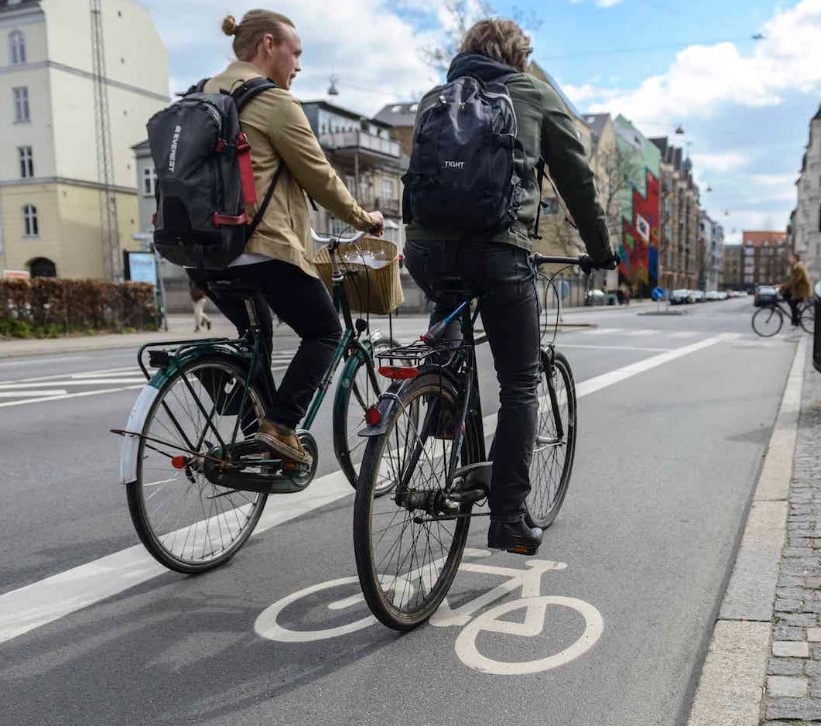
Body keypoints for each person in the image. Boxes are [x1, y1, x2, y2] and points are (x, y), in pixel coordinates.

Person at [404, 18, 616, 555]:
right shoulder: (533, 94)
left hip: (426, 251)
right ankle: (509, 521)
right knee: (521, 383)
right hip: (500, 251)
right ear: (517, 56)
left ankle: (442, 400)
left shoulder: (435, 96)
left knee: (450, 307)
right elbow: (578, 181)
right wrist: (599, 249)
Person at [192, 10, 384, 464]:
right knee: (324, 332)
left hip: (201, 250)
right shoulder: (274, 103)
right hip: (259, 247)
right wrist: (363, 218)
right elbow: (319, 177)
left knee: (254, 333)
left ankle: (247, 419)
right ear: (268, 47)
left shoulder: (201, 93)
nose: (298, 65)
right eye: (295, 53)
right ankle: (279, 426)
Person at [780, 250, 812, 327]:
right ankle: (795, 318)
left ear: (795, 259)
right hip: (798, 290)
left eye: (791, 258)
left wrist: (783, 286)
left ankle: (796, 320)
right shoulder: (795, 267)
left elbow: (794, 280)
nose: (789, 259)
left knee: (793, 303)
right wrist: (781, 284)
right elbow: (790, 278)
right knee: (789, 299)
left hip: (802, 291)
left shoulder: (799, 268)